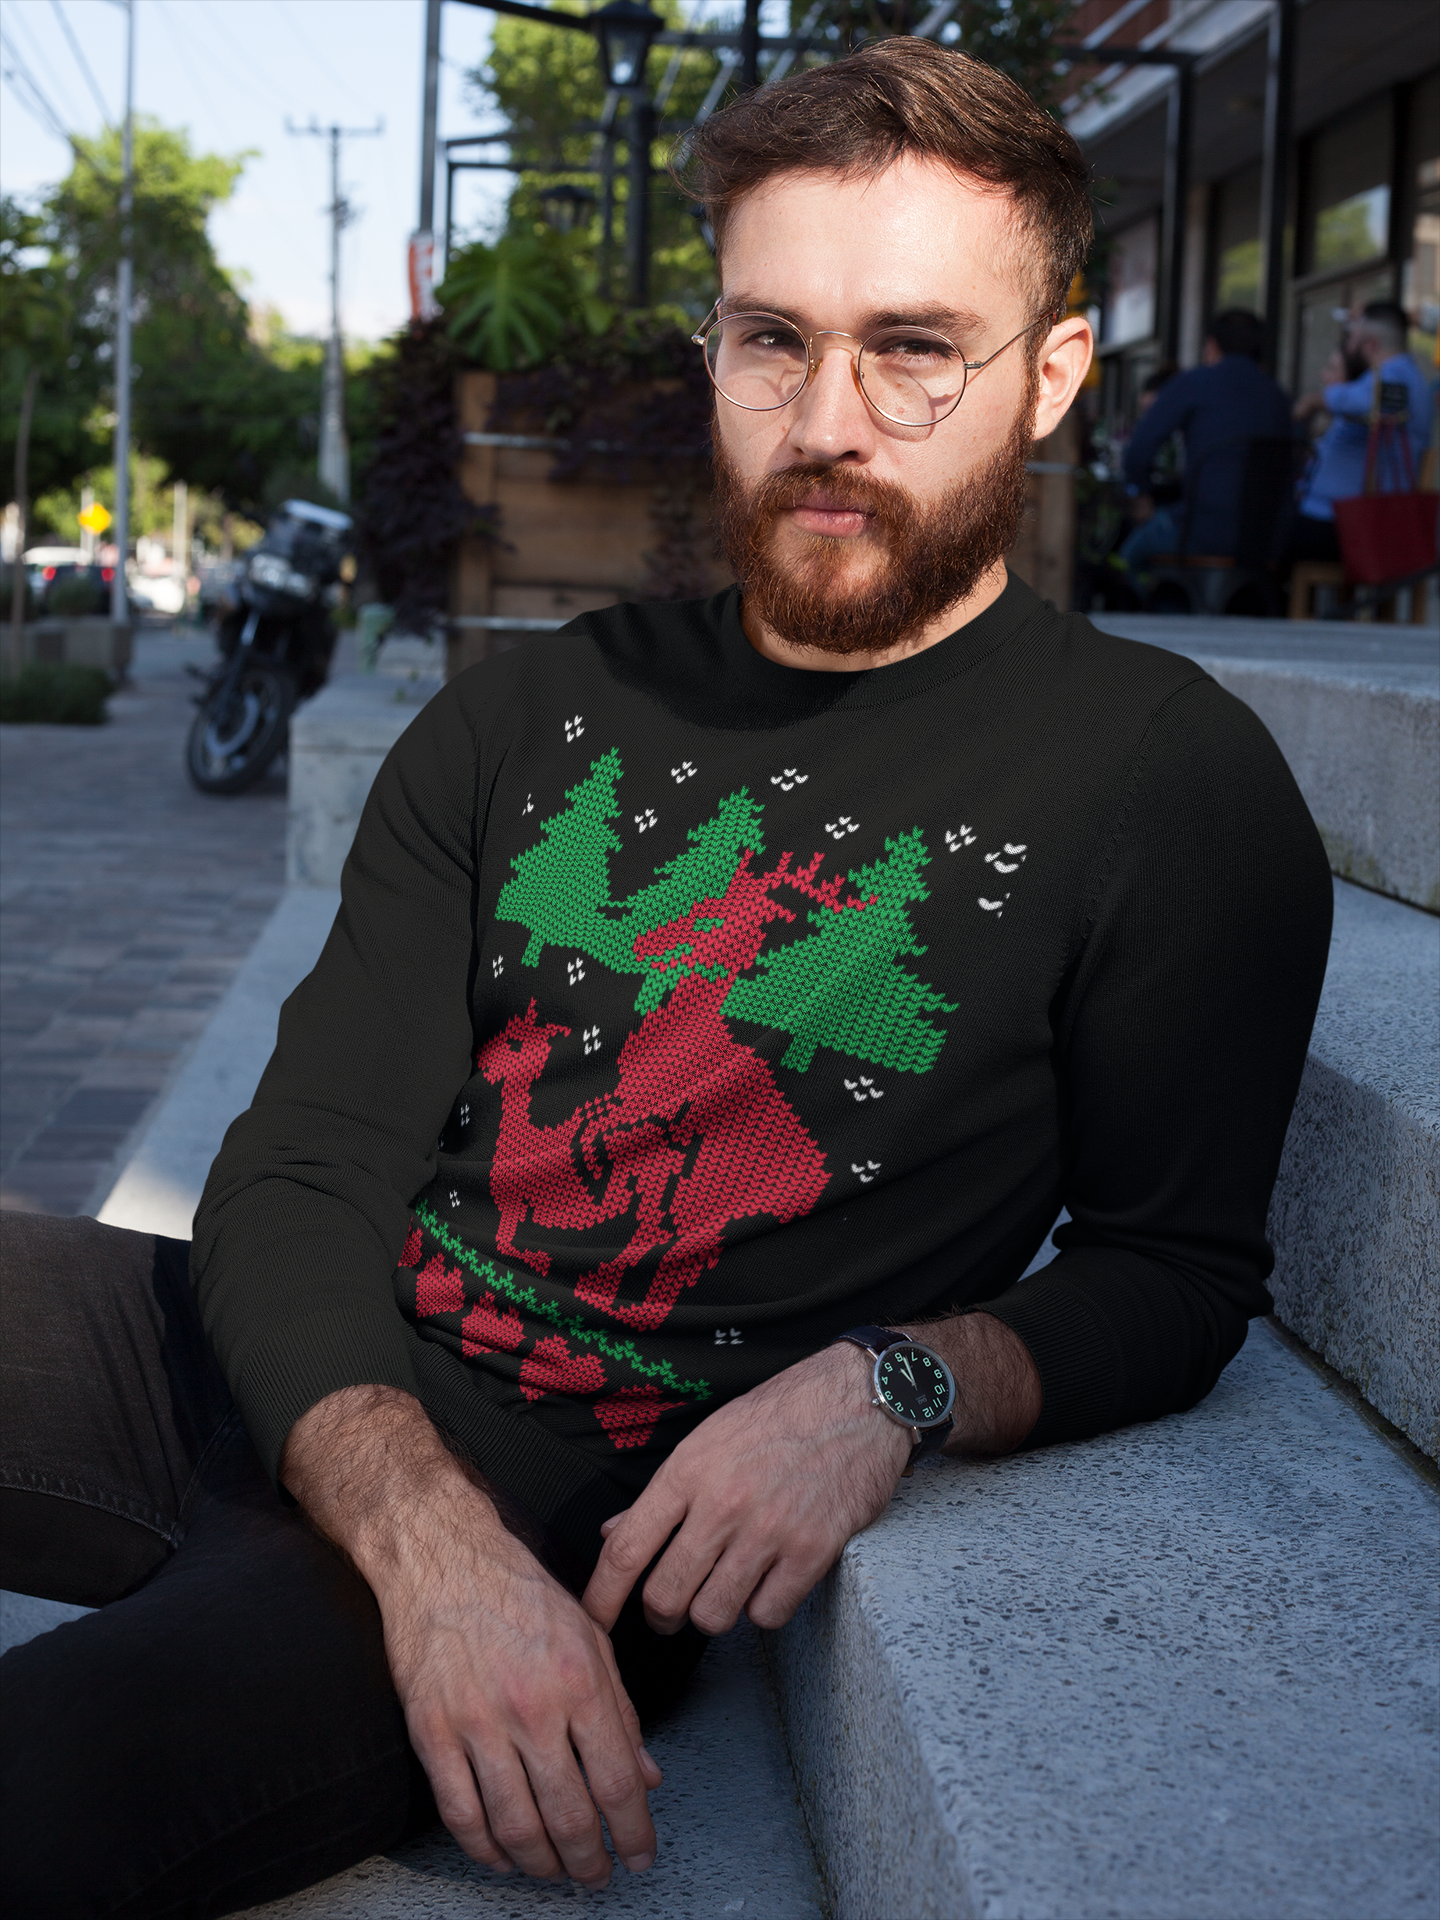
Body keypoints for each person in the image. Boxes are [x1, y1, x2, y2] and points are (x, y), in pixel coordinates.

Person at [0, 39, 1334, 1919]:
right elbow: (303, 1164)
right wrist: (414, 1529)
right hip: (280, 1372)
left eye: (915, 348)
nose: (828, 419)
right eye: (772, 338)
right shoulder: (528, 712)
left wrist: (888, 1387)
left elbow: (1178, 1271)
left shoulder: (1165, 785)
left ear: (1049, 377)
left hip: (572, 1509)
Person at [1115, 308, 1293, 580]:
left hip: (1200, 532)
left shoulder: (1195, 382)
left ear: (1211, 346)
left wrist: (1140, 492)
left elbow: (1139, 449)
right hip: (1268, 540)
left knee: (1128, 559)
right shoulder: (1279, 396)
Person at [1289, 300, 1435, 565]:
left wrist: (1315, 401)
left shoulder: (1398, 374)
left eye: (1353, 336)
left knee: (1265, 529)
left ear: (1371, 344)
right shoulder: (1390, 374)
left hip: (1357, 524)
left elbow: (1371, 403)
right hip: (1347, 519)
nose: (1348, 344)